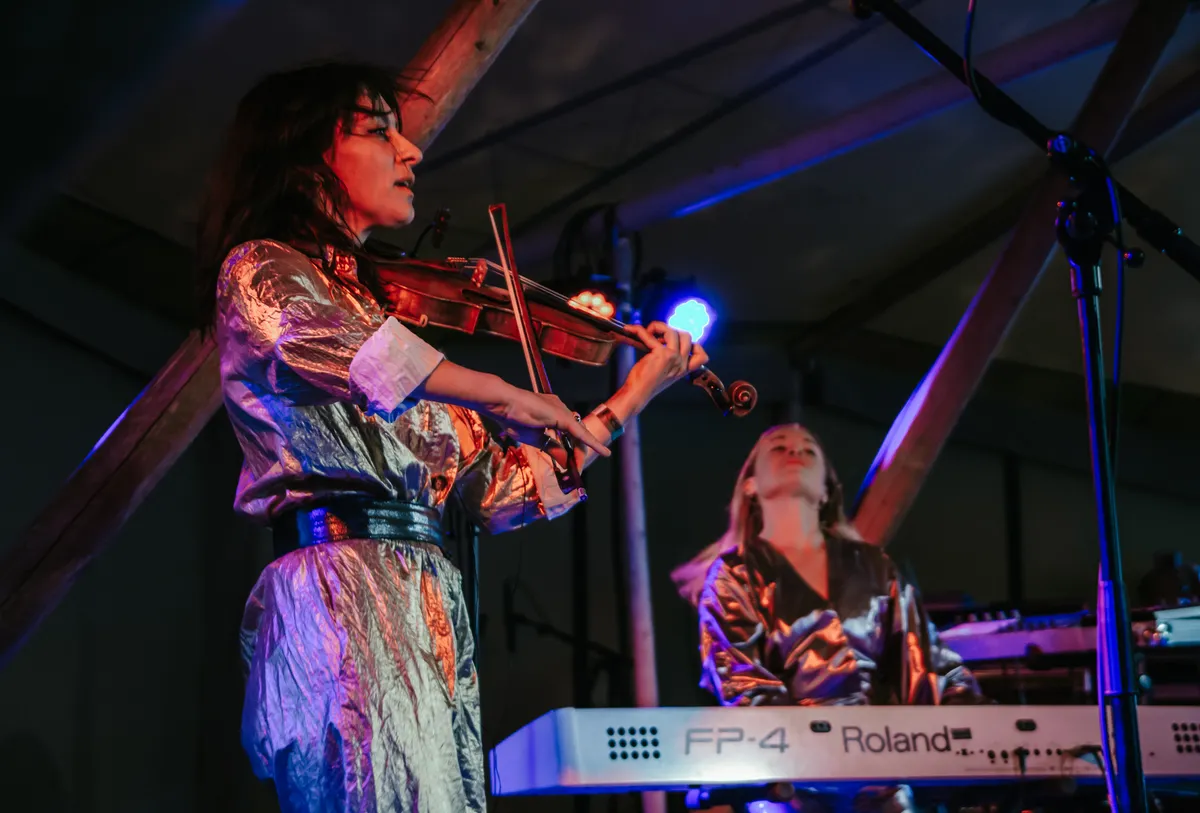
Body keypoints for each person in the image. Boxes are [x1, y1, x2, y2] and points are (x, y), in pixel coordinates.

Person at [195, 62, 707, 813]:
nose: (412, 151)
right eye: (379, 131)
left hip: (426, 597)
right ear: (304, 158)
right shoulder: (263, 271)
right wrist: (505, 391)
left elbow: (508, 489)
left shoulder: (398, 337)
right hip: (341, 586)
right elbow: (364, 359)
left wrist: (635, 392)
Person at [671, 424, 982, 812]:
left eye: (809, 450)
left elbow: (926, 662)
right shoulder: (733, 573)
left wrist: (985, 724)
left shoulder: (874, 566)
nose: (794, 452)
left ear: (825, 490)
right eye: (778, 447)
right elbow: (740, 678)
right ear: (750, 485)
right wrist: (818, 744)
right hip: (789, 785)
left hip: (883, 780)